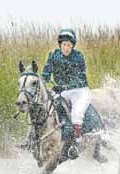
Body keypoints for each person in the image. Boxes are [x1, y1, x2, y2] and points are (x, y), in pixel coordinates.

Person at [42, 28, 100, 160]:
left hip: (79, 91)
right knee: (47, 109)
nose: (67, 48)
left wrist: (64, 86)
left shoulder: (78, 57)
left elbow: (81, 78)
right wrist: (45, 78)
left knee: (76, 114)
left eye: (69, 45)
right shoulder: (53, 55)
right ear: (60, 44)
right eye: (64, 44)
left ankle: (76, 143)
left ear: (73, 46)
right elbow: (46, 71)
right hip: (61, 92)